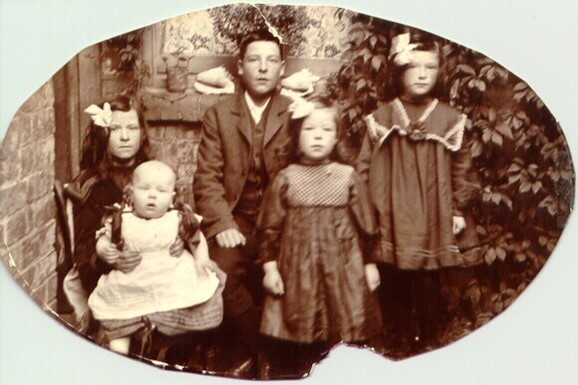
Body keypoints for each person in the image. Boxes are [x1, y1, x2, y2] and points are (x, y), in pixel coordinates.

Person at [357, 32, 481, 354]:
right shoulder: (383, 117)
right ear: (400, 72)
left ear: (439, 72)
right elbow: (365, 169)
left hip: (433, 214)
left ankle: (428, 341)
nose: (423, 74)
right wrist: (369, 212)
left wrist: (457, 209)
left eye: (431, 67)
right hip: (393, 212)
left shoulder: (449, 119)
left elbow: (462, 170)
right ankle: (397, 340)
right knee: (394, 280)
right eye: (414, 67)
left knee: (428, 284)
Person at [258, 96, 383, 375]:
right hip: (298, 267)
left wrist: (370, 263)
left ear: (336, 136)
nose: (317, 136)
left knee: (343, 320)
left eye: (326, 130)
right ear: (296, 135)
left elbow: (366, 225)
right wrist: (269, 268)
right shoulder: (286, 177)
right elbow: (270, 227)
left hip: (342, 264)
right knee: (299, 322)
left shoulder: (346, 175)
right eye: (309, 129)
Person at [193, 29, 293, 377]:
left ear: (282, 69)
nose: (263, 68)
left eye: (271, 61)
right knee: (219, 274)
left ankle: (294, 350)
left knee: (298, 273)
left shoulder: (294, 113)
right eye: (254, 60)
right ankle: (261, 350)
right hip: (238, 221)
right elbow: (206, 178)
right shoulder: (219, 115)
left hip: (284, 225)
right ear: (240, 67)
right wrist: (222, 224)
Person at [64, 95, 183, 332]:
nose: (126, 137)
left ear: (142, 133)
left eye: (132, 128)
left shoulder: (155, 176)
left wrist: (179, 241)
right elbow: (84, 250)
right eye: (116, 129)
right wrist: (111, 259)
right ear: (103, 134)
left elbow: (176, 217)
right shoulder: (90, 186)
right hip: (110, 277)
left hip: (157, 271)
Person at [88, 160, 225, 355]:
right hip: (133, 280)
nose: (152, 195)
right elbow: (103, 238)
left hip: (170, 276)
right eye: (144, 189)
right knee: (119, 315)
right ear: (131, 193)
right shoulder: (121, 218)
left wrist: (201, 258)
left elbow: (196, 237)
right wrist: (105, 250)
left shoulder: (177, 218)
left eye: (161, 191)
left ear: (171, 198)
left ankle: (167, 344)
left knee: (186, 304)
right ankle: (119, 353)